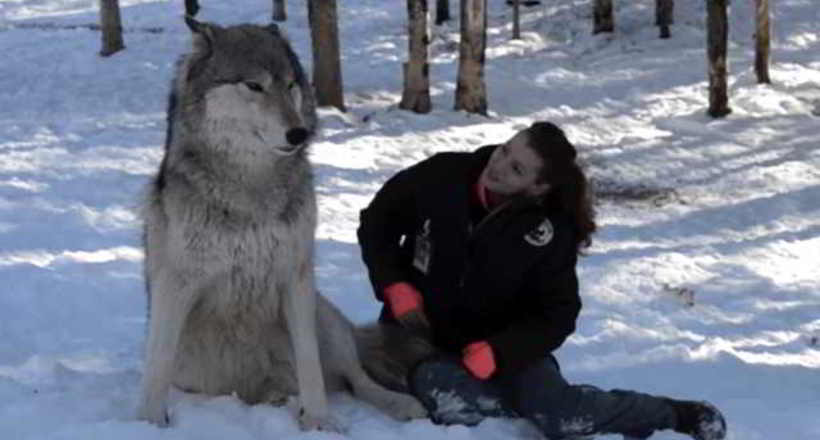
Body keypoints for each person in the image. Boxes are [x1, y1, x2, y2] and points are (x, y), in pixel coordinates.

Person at [356, 122, 727, 440]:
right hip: (420, 340)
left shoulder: (549, 232)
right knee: (453, 400)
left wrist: (500, 351)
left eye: (516, 169)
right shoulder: (441, 176)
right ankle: (515, 416)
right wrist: (394, 283)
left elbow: (558, 313)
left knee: (559, 413)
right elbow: (376, 224)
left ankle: (674, 415)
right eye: (504, 150)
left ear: (537, 188)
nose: (498, 166)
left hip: (505, 351)